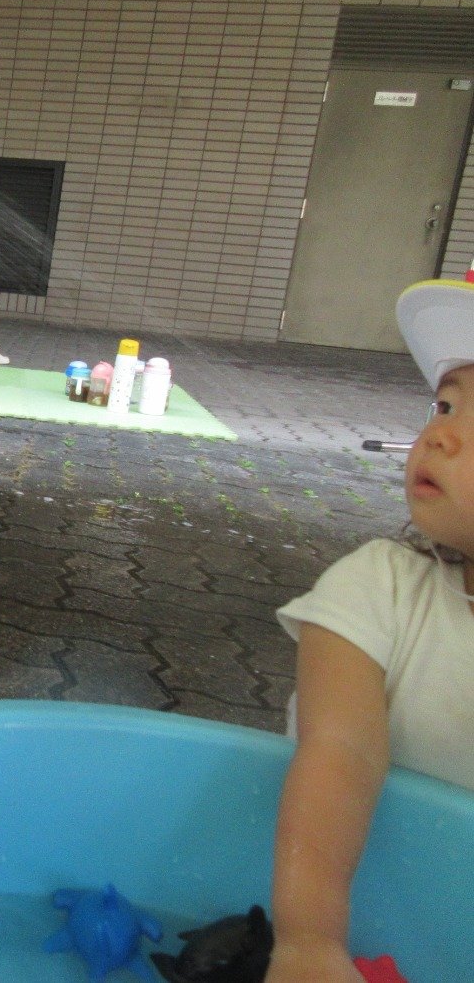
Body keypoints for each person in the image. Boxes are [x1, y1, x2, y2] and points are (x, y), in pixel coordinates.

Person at [267, 278, 474, 982]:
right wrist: (309, 943)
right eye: (445, 405)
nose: (439, 434)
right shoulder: (378, 588)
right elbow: (341, 752)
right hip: (344, 911)